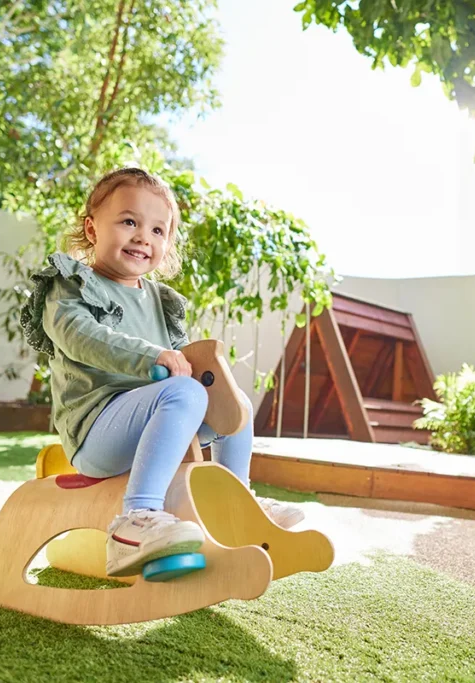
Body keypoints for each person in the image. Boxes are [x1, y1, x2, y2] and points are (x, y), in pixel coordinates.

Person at [21, 167, 304, 578]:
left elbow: (179, 363)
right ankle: (135, 521)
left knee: (233, 400)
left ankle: (235, 498)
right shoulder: (71, 284)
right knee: (185, 393)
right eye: (129, 222)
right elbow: (81, 337)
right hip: (96, 433)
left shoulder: (159, 300)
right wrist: (151, 356)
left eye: (158, 230)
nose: (143, 237)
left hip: (150, 421)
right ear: (92, 227)